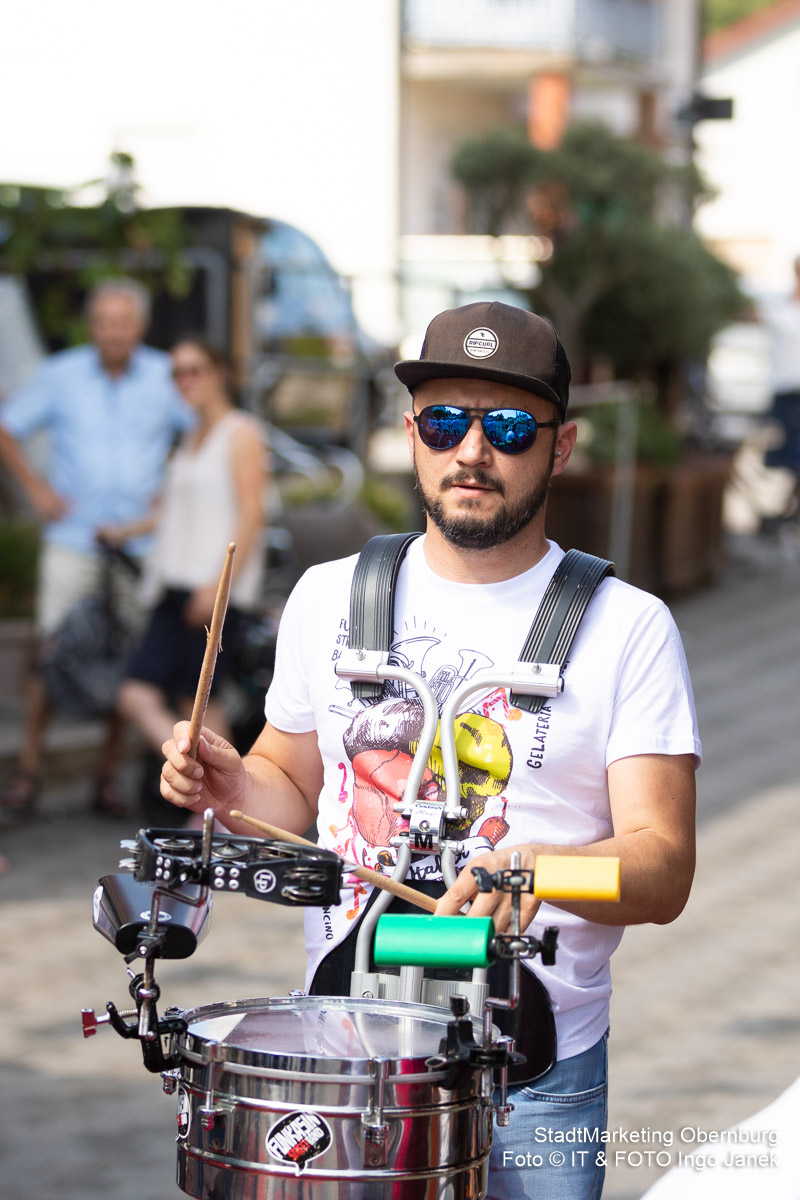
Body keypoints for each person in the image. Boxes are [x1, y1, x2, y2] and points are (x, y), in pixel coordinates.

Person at [160, 301, 700, 1200]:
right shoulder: (329, 598)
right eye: (445, 422)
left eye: (510, 428)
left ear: (561, 448)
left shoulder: (627, 627)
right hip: (346, 1054)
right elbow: (288, 784)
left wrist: (533, 871)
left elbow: (664, 868)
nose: (472, 451)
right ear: (412, 434)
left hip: (534, 1075)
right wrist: (231, 786)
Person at [0, 278, 192, 817]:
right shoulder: (61, 374)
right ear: (92, 326)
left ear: (140, 327)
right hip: (74, 539)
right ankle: (29, 770)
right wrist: (37, 492)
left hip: (140, 544)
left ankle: (106, 776)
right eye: (104, 322)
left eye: (122, 322)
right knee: (51, 654)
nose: (113, 332)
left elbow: (205, 428)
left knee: (129, 660)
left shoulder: (165, 374)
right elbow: (7, 427)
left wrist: (175, 485)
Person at [115, 337, 267, 776]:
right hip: (175, 586)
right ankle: (205, 789)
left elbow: (253, 515)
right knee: (151, 696)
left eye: (195, 369)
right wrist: (123, 531)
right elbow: (173, 512)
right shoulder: (190, 437)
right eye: (178, 372)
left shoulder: (240, 433)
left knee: (195, 702)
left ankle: (228, 797)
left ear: (220, 372)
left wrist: (219, 587)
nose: (185, 380)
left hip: (211, 591)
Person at [760, 255, 800, 528]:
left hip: (789, 393)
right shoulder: (780, 305)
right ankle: (788, 512)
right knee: (787, 458)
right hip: (786, 392)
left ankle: (788, 512)